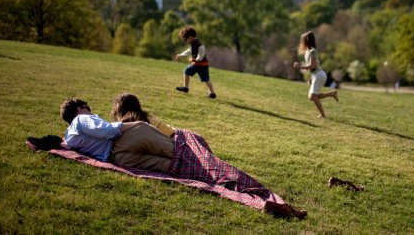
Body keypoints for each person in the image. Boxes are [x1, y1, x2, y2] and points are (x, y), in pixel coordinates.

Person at [111, 93, 307, 218]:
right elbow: (169, 133)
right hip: (184, 146)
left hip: (182, 151)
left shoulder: (123, 131)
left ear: (118, 111)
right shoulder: (146, 119)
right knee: (227, 173)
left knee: (218, 178)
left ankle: (273, 203)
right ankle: (273, 201)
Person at [60, 98, 176, 172]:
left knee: (169, 165)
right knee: (177, 153)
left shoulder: (70, 137)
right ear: (79, 109)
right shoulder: (81, 119)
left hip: (119, 159)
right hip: (125, 142)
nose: (91, 111)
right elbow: (108, 131)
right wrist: (137, 123)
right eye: (87, 107)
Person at [293, 31, 338, 118]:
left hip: (319, 75)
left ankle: (323, 115)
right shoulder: (308, 51)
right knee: (311, 97)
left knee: (313, 96)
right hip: (316, 75)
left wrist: (300, 67)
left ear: (307, 41)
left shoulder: (313, 51)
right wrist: (310, 77)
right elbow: (312, 68)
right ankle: (332, 94)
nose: (301, 43)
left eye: (303, 40)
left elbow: (312, 65)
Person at [174, 26, 216, 99]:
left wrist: (195, 60)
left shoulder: (199, 44)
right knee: (188, 72)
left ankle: (211, 93)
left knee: (204, 78)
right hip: (198, 64)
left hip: (201, 65)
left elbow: (201, 54)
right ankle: (186, 88)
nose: (185, 41)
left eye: (185, 39)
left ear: (190, 37)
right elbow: (189, 51)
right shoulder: (193, 43)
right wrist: (181, 55)